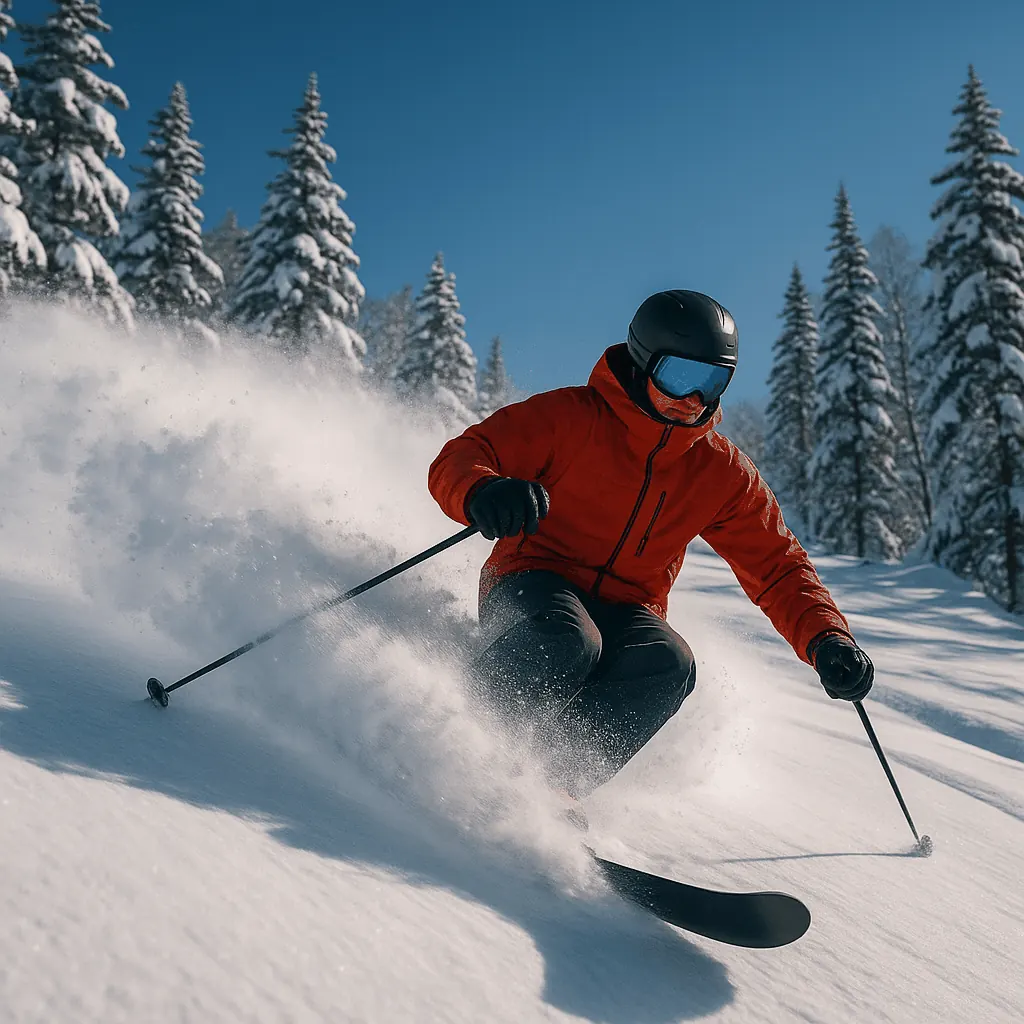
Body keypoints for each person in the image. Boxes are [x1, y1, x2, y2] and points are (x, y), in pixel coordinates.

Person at [428, 289, 873, 809]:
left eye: (713, 382)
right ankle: (454, 749)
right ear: (643, 364)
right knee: (567, 640)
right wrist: (482, 491)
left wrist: (826, 637)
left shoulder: (721, 472)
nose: (694, 400)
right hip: (532, 579)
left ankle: (546, 792)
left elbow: (777, 566)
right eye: (679, 377)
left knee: (668, 664)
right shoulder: (572, 417)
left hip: (628, 607)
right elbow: (462, 457)